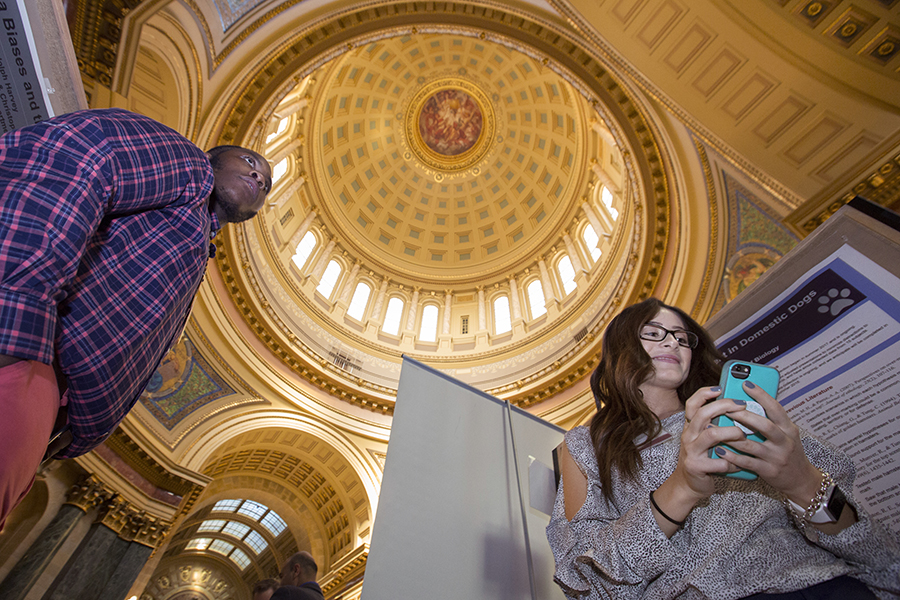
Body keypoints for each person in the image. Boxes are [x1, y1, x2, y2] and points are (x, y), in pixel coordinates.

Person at [0, 108, 272, 529]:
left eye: (266, 184)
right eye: (251, 163)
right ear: (215, 157)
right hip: (18, 357)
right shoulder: (187, 166)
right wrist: (14, 314)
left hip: (41, 407)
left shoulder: (196, 242)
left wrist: (67, 434)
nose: (258, 178)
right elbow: (80, 154)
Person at [547, 298, 900, 599]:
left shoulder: (745, 414)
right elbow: (586, 584)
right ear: (621, 348)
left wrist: (803, 483)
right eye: (654, 333)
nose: (672, 344)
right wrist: (681, 488)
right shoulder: (587, 446)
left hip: (828, 585)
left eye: (683, 339)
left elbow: (872, 549)